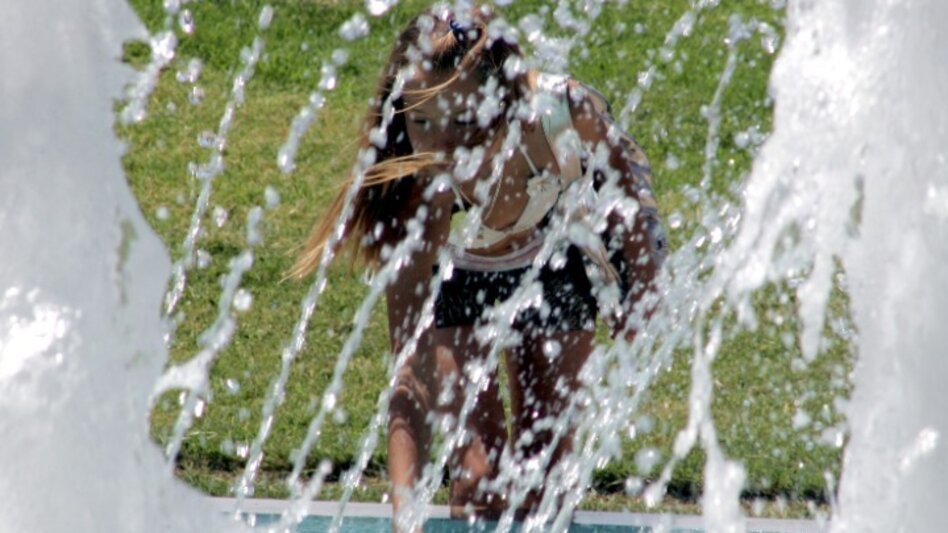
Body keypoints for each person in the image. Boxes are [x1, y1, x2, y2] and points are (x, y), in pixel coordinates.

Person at [292, 4, 667, 524]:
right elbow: (411, 375)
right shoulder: (418, 192)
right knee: (478, 481)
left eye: (464, 122)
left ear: (504, 105)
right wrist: (406, 519)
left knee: (544, 476)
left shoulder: (559, 114)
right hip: (466, 270)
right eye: (422, 121)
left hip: (562, 245)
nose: (441, 146)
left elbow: (626, 191)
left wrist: (640, 286)